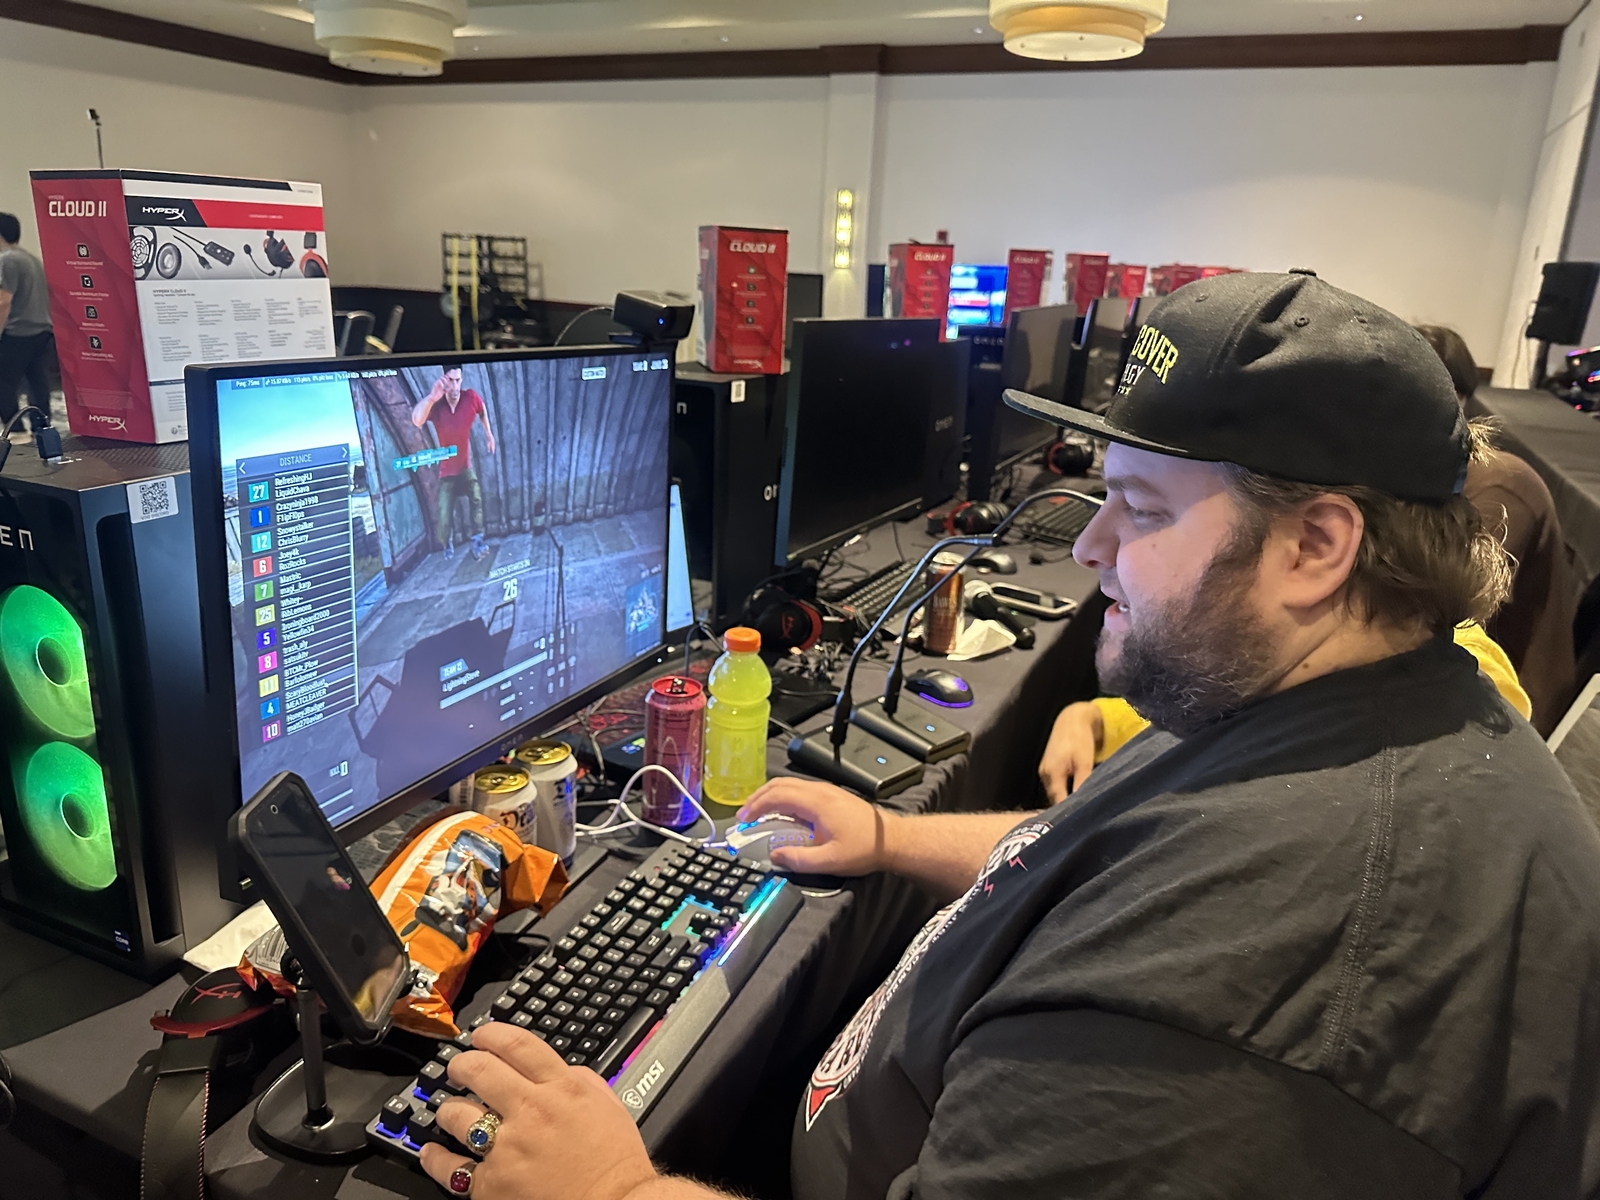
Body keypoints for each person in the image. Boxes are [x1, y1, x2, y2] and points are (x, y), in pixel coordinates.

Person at [416, 272, 1600, 1200]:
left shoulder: (1258, 1005)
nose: (1088, 547)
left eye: (1139, 510)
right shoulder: (1340, 704)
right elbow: (1106, 852)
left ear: (1316, 546)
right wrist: (889, 836)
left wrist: (615, 1189)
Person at [1041, 619, 1533, 801]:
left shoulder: (1452, 687)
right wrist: (1097, 718)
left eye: (1150, 511)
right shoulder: (1294, 663)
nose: (1090, 548)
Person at [1416, 324, 1577, 734]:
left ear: (1457, 399)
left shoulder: (1500, 485)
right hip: (1456, 681)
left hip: (1511, 706)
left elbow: (1448, 612)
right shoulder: (1419, 473)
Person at [413, 365, 497, 561]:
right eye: (451, 381)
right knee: (443, 513)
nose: (455, 386)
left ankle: (477, 540)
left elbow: (482, 409)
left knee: (476, 496)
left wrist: (489, 434)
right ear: (444, 380)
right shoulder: (437, 404)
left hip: (464, 467)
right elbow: (417, 420)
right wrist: (431, 398)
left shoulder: (470, 398)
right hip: (447, 472)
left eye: (458, 380)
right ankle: (446, 542)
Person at [0, 213, 54, 434]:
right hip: (42, 330)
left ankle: (15, 430)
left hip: (19, 332)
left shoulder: (8, 260)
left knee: (3, 382)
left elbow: (4, 301)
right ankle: (42, 428)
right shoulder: (31, 258)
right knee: (37, 381)